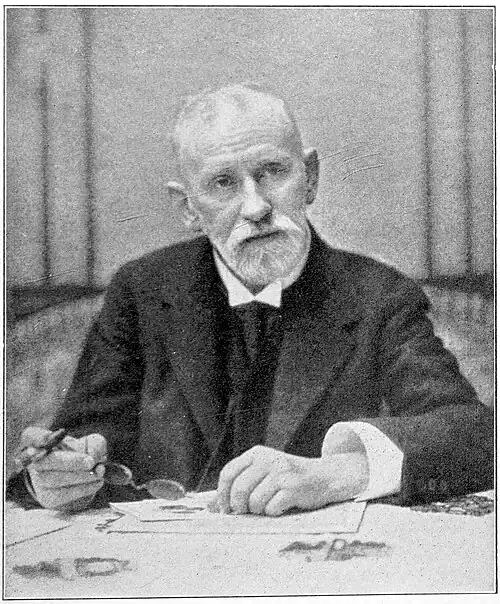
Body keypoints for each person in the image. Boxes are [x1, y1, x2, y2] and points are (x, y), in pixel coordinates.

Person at [10, 84, 493, 516]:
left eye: (272, 172)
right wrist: (59, 477)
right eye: (223, 183)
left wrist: (338, 472)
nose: (256, 207)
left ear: (310, 177)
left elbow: (474, 436)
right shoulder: (141, 291)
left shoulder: (379, 296)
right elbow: (83, 441)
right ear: (188, 208)